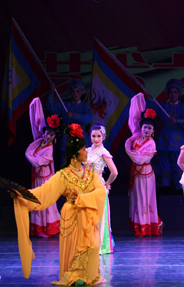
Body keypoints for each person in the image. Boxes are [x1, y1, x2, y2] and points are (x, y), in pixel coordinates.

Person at [9, 123, 107, 285]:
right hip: (71, 216)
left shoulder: (90, 172)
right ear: (75, 154)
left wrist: (82, 199)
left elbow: (101, 191)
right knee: (73, 248)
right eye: (83, 149)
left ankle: (89, 276)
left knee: (93, 245)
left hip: (87, 214)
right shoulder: (63, 175)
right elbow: (43, 193)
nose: (86, 152)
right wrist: (22, 195)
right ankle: (74, 276)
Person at [125, 93, 163, 237]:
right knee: (137, 199)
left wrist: (127, 148)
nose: (146, 130)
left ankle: (146, 227)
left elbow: (139, 159)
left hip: (145, 174)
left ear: (153, 131)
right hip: (136, 173)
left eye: (149, 128)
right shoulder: (136, 138)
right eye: (145, 127)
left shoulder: (151, 144)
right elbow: (133, 117)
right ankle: (139, 226)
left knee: (144, 200)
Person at [150, 79, 184, 193]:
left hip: (178, 139)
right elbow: (151, 108)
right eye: (171, 92)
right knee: (164, 162)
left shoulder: (183, 108)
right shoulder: (163, 106)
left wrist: (177, 121)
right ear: (168, 93)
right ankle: (165, 185)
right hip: (165, 139)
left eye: (175, 92)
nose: (173, 94)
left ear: (179, 93)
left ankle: (179, 185)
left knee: (178, 162)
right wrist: (148, 98)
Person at [25, 98, 61, 237]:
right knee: (36, 199)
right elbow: (35, 122)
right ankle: (38, 228)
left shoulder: (49, 149)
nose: (48, 136)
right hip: (37, 177)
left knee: (44, 201)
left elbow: (37, 161)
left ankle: (48, 228)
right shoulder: (39, 142)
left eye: (51, 134)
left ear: (54, 137)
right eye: (47, 133)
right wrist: (35, 105)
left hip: (45, 178)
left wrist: (31, 155)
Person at [46, 79, 93, 166]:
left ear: (81, 92)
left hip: (81, 139)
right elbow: (50, 107)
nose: (75, 94)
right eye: (73, 91)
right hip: (67, 139)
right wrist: (51, 92)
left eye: (77, 91)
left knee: (83, 166)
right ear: (70, 93)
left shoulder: (85, 106)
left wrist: (73, 115)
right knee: (66, 165)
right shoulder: (65, 105)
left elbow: (89, 118)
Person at [87, 124, 118, 254]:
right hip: (86, 187)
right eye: (93, 136)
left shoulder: (103, 152)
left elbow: (114, 172)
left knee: (99, 217)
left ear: (103, 137)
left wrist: (107, 184)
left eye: (98, 136)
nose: (96, 139)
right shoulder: (87, 151)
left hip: (98, 187)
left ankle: (100, 246)